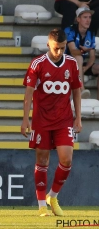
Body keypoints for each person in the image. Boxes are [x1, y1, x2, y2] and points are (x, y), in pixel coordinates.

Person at [21, 28, 82, 217]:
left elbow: (76, 90)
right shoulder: (37, 64)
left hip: (63, 119)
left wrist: (78, 117)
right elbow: (29, 93)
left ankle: (52, 196)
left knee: (67, 159)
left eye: (63, 48)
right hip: (42, 120)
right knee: (42, 160)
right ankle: (41, 205)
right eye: (57, 48)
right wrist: (25, 119)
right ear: (48, 44)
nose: (60, 52)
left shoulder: (71, 63)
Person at [65, 6, 99, 99]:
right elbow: (73, 51)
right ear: (78, 19)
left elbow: (92, 57)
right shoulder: (69, 30)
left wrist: (86, 68)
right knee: (78, 57)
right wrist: (83, 50)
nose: (88, 20)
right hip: (66, 63)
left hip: (79, 65)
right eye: (85, 17)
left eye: (89, 17)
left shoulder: (91, 33)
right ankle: (81, 89)